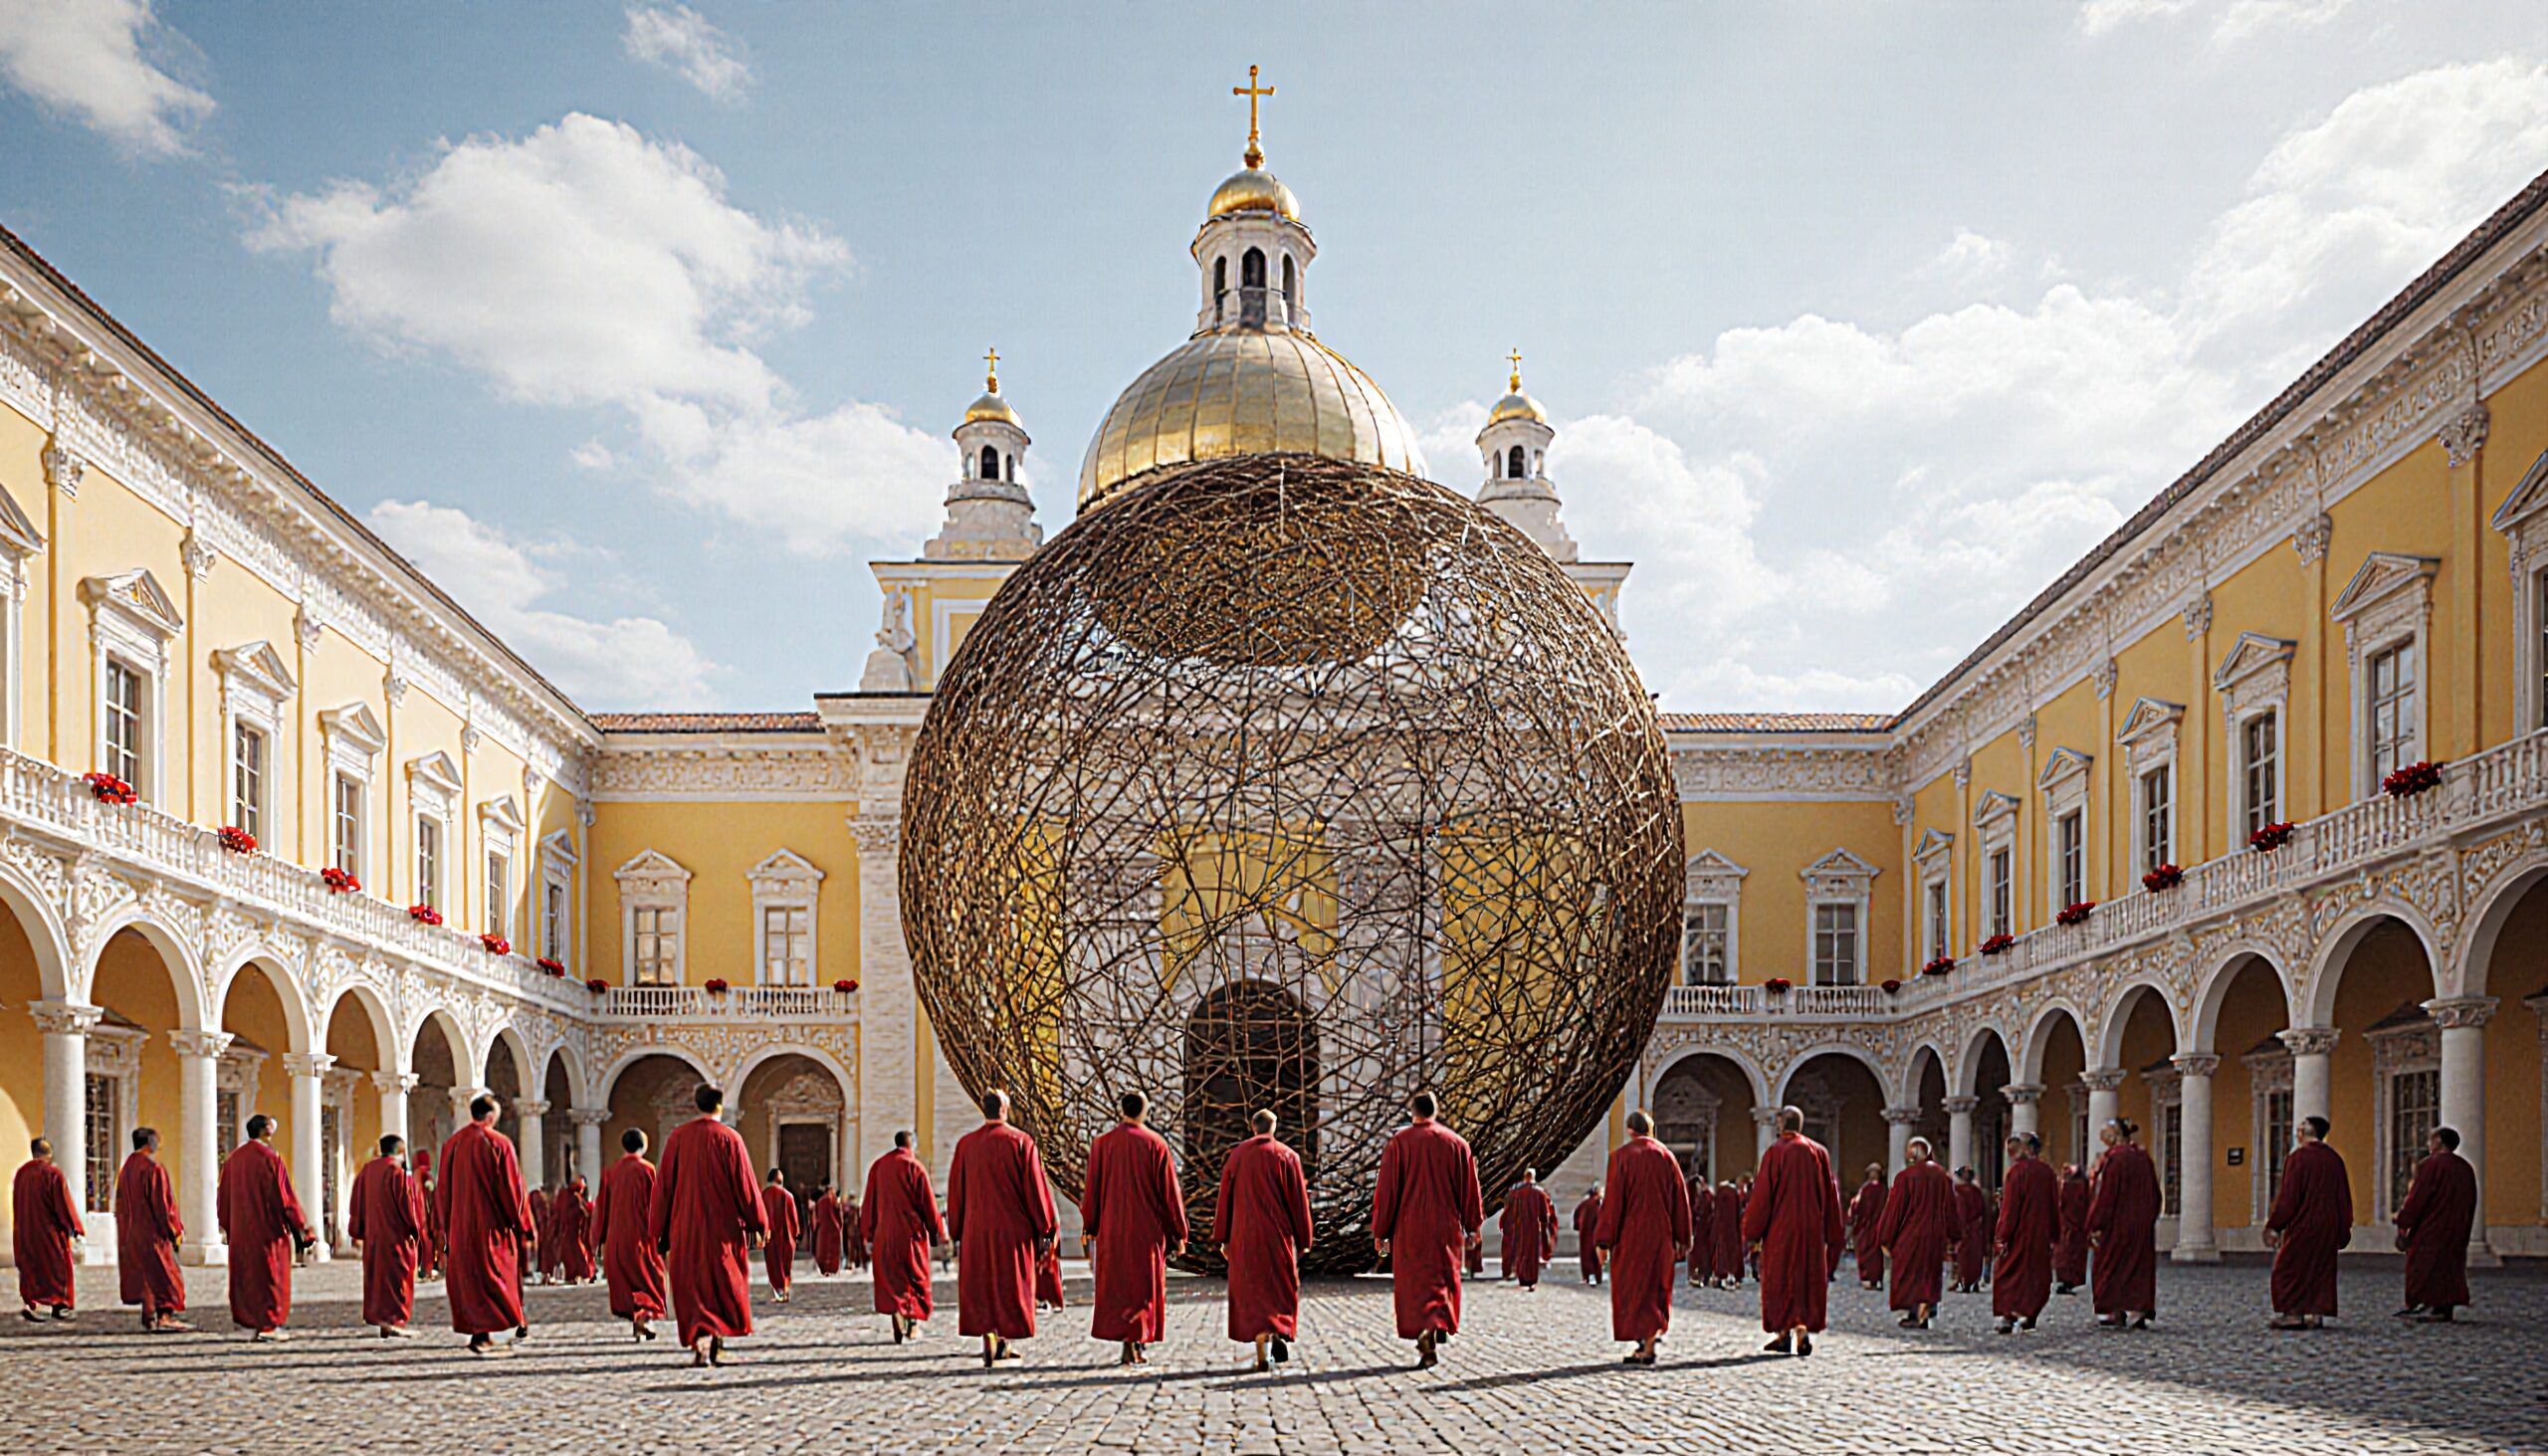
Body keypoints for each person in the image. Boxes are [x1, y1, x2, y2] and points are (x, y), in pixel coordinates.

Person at [652, 1084, 768, 1366]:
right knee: (720, 1283)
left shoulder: (677, 1138)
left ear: (697, 1104)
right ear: (720, 1105)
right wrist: (759, 1223)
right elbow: (746, 1186)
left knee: (692, 1285)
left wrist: (658, 1230)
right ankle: (714, 1339)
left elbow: (664, 1187)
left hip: (685, 1226)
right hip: (722, 1229)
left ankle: (701, 1341)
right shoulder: (730, 1138)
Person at [1371, 1090, 1483, 1369]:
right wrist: (1473, 1225)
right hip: (1445, 1226)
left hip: (1409, 1226)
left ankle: (1426, 1331)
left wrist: (1381, 1231)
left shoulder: (1399, 1143)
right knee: (1442, 1279)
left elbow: (1387, 1191)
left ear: (1413, 1112)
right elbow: (1469, 1190)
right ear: (1436, 1111)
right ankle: (1435, 1326)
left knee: (1415, 1284)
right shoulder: (1457, 1144)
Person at [948, 1090, 1058, 1366]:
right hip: (1013, 1230)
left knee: (983, 1284)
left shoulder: (966, 1145)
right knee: (1008, 1286)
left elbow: (956, 1192)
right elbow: (1035, 1188)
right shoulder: (1021, 1142)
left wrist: (957, 1228)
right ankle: (1003, 1341)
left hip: (976, 1229)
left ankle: (989, 1337)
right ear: (1005, 1109)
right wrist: (1045, 1226)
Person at [1082, 1091, 1187, 1365]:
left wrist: (1090, 1225)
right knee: (1144, 1286)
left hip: (1113, 1226)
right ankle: (1137, 1339)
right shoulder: (1156, 1144)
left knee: (1119, 1285)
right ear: (1144, 1110)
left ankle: (1128, 1342)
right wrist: (1178, 1232)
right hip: (1147, 1228)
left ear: (1121, 1110)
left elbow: (1092, 1189)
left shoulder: (1102, 1145)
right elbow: (1169, 1194)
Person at [1213, 1108, 1313, 1371]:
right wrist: (1304, 1236)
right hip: (1277, 1234)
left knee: (1252, 1289)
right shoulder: (1287, 1156)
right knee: (1280, 1286)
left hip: (1244, 1234)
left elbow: (1226, 1198)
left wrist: (1223, 1236)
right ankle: (1276, 1330)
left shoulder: (1236, 1157)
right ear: (1274, 1126)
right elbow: (1298, 1201)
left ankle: (1262, 1344)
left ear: (1252, 1126)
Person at [1740, 1106, 1844, 1355]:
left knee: (1781, 1279)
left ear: (1780, 1123)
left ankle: (1784, 1333)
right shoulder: (1819, 1153)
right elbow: (1831, 1196)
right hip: (1811, 1230)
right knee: (1805, 1278)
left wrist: (1752, 1232)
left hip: (1781, 1229)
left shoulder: (1776, 1152)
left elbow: (1763, 1196)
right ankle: (1803, 1331)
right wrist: (1833, 1232)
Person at [439, 1094, 535, 1356]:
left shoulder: (452, 1144)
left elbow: (443, 1190)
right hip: (492, 1226)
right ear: (491, 1116)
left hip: (461, 1226)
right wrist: (523, 1224)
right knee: (499, 1276)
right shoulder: (499, 1143)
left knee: (471, 1280)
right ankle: (508, 1325)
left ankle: (481, 1334)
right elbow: (512, 1189)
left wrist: (445, 1228)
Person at [1592, 1109, 1691, 1365]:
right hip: (1661, 1235)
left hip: (1631, 1236)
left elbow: (1613, 1203)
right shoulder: (1667, 1157)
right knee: (1656, 1286)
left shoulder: (1621, 1158)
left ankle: (1644, 1343)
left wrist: (1604, 1241)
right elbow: (1680, 1200)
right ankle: (1648, 1342)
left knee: (1634, 1288)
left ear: (1629, 1130)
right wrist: (1683, 1238)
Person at [219, 1114, 311, 1342]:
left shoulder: (233, 1160)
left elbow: (223, 1199)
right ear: (266, 1130)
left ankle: (249, 1320)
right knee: (271, 1275)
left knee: (247, 1276)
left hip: (241, 1229)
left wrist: (229, 1226)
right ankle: (268, 1324)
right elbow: (284, 1196)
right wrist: (300, 1226)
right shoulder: (270, 1158)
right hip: (267, 1228)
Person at [2265, 1114, 2352, 1330]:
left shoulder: (2299, 1158)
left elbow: (2289, 1197)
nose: (2297, 1131)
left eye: (2301, 1127)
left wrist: (2275, 1224)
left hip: (2304, 1224)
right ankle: (2315, 1312)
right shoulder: (2335, 1160)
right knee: (2320, 1269)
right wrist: (2343, 1229)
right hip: (2328, 1225)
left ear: (2306, 1132)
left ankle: (2293, 1313)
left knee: (2289, 1269)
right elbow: (2344, 1197)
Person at [862, 1129, 947, 1344]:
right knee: (914, 1279)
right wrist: (936, 1232)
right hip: (910, 1235)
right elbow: (928, 1205)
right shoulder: (914, 1167)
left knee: (891, 1279)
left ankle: (897, 1315)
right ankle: (912, 1325)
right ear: (912, 1145)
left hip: (884, 1233)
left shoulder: (878, 1167)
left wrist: (868, 1234)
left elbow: (868, 1204)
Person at [2394, 1125, 2477, 1323]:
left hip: (2431, 1228)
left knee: (2425, 1266)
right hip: (2457, 1227)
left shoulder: (2430, 1165)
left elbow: (2418, 1198)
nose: (2428, 1143)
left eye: (2431, 1139)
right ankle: (2443, 1306)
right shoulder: (2465, 1168)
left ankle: (2427, 1304)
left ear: (2439, 1142)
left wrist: (2404, 1220)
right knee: (2449, 1267)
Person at [2084, 1118, 2160, 1330]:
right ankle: (2138, 1311)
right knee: (2139, 1267)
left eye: (2106, 1133)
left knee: (2111, 1267)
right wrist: (2148, 1218)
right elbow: (2155, 1194)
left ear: (2115, 1135)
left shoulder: (2115, 1161)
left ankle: (2114, 1310)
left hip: (2117, 1226)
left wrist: (2095, 1223)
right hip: (2141, 1225)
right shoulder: (2143, 1159)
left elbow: (2106, 1197)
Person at [1873, 1137, 1956, 1328]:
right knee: (1929, 1273)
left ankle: (1914, 1313)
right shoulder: (1943, 1177)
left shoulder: (1906, 1178)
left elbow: (1895, 1210)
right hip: (1935, 1234)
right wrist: (1953, 1234)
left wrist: (1886, 1237)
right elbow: (1951, 1209)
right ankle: (1925, 1310)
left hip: (1910, 1234)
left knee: (1909, 1274)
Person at [348, 1133, 425, 1339]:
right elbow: (408, 1206)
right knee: (397, 1279)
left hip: (374, 1237)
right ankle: (395, 1320)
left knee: (378, 1279)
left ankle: (384, 1321)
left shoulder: (367, 1171)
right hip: (396, 1238)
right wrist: (417, 1230)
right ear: (401, 1151)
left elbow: (356, 1202)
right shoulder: (398, 1173)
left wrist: (358, 1230)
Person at [595, 1128, 666, 1342]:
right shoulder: (646, 1169)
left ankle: (638, 1322)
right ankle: (644, 1318)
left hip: (616, 1235)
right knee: (649, 1276)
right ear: (643, 1146)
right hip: (640, 1233)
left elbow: (602, 1206)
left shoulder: (612, 1171)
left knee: (627, 1278)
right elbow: (656, 1204)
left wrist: (599, 1238)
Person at [115, 1128, 188, 1332]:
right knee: (165, 1273)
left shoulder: (127, 1168)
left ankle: (149, 1316)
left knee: (147, 1275)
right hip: (152, 1230)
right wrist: (174, 1228)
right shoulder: (152, 1168)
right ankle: (165, 1316)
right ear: (149, 1143)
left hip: (131, 1230)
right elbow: (162, 1203)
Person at [1993, 1133, 2058, 1334]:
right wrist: (2055, 1233)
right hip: (2040, 1233)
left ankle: (2008, 1315)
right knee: (2036, 1275)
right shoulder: (2047, 1172)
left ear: (2028, 1148)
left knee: (2009, 1273)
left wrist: (2002, 1235)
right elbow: (2054, 1204)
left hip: (2019, 1233)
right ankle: (2030, 1314)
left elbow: (2011, 1208)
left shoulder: (2017, 1172)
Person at [13, 1137, 81, 1322]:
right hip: (49, 1232)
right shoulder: (52, 1174)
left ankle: (33, 1303)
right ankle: (59, 1304)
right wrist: (73, 1226)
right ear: (48, 1154)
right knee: (58, 1268)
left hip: (26, 1229)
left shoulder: (21, 1173)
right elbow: (62, 1204)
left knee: (31, 1268)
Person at [1500, 1166, 1557, 1292]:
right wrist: (1546, 1229)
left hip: (1520, 1228)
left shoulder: (1517, 1194)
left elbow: (1509, 1212)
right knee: (1532, 1255)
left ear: (1525, 1177)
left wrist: (1507, 1225)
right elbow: (1545, 1215)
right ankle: (1531, 1281)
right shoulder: (1540, 1193)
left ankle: (1523, 1278)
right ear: (1534, 1178)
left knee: (1522, 1253)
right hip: (1534, 1230)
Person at [759, 1167, 801, 1303]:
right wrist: (796, 1233)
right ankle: (786, 1292)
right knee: (786, 1265)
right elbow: (794, 1218)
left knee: (773, 1265)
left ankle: (778, 1292)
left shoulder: (763, 1196)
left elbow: (759, 1216)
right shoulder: (788, 1196)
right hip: (787, 1237)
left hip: (770, 1237)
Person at [1846, 1163, 1887, 1289]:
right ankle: (1869, 1277)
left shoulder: (1879, 1190)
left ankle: (1872, 1278)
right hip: (1867, 1225)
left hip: (1873, 1225)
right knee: (1867, 1251)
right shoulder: (1868, 1189)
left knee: (1873, 1253)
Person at [2052, 1161, 2090, 1295]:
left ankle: (2068, 1281)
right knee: (2069, 1255)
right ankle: (2068, 1281)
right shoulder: (2079, 1186)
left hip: (2071, 1226)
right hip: (2072, 1226)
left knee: (2068, 1255)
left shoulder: (2070, 1187)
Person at [1949, 1167, 1989, 1293]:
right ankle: (1973, 1281)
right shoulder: (1977, 1192)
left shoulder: (1959, 1192)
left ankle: (1964, 1282)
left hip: (1966, 1228)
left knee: (1964, 1257)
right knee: (1974, 1256)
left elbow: (1961, 1212)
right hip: (1976, 1228)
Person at [554, 1176, 595, 1284]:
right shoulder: (575, 1198)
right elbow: (582, 1213)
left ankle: (574, 1275)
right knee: (577, 1255)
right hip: (573, 1231)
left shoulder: (563, 1196)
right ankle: (583, 1273)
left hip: (568, 1231)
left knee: (572, 1254)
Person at [414, 1146, 442, 1283]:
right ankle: (429, 1270)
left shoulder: (415, 1175)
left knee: (421, 1245)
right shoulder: (425, 1175)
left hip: (418, 1215)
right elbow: (430, 1196)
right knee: (428, 1243)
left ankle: (422, 1270)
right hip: (425, 1214)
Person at [1711, 1179, 1743, 1289]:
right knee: (1731, 1249)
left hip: (1722, 1227)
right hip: (1732, 1227)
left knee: (1723, 1249)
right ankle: (1730, 1274)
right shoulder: (1733, 1194)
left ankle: (1723, 1273)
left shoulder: (1721, 1193)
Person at [1572, 1184, 1604, 1285]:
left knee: (1587, 1256)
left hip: (1585, 1234)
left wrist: (1579, 1227)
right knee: (1595, 1257)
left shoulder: (1583, 1204)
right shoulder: (1598, 1204)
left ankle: (1590, 1276)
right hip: (1596, 1234)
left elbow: (1576, 1218)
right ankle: (1596, 1277)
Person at [1686, 1170, 1715, 1288]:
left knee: (1704, 1252)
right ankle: (1696, 1274)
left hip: (1704, 1229)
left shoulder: (1706, 1195)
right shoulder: (1694, 1194)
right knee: (1696, 1252)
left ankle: (1704, 1274)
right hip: (1698, 1229)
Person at [811, 1182, 846, 1277]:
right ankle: (832, 1269)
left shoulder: (820, 1201)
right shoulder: (834, 1200)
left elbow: (816, 1217)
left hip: (822, 1229)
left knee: (823, 1249)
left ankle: (824, 1269)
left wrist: (816, 1230)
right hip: (834, 1229)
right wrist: (840, 1226)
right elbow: (839, 1215)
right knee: (833, 1251)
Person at [529, 1182, 554, 1285]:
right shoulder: (538, 1198)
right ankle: (545, 1276)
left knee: (545, 1255)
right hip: (543, 1230)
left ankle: (546, 1276)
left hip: (544, 1230)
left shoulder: (536, 1198)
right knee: (544, 1255)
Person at [844, 1189, 869, 1271]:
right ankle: (853, 1263)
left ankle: (857, 1263)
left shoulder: (854, 1208)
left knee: (855, 1247)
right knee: (853, 1248)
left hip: (854, 1230)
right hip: (853, 1230)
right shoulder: (852, 1208)